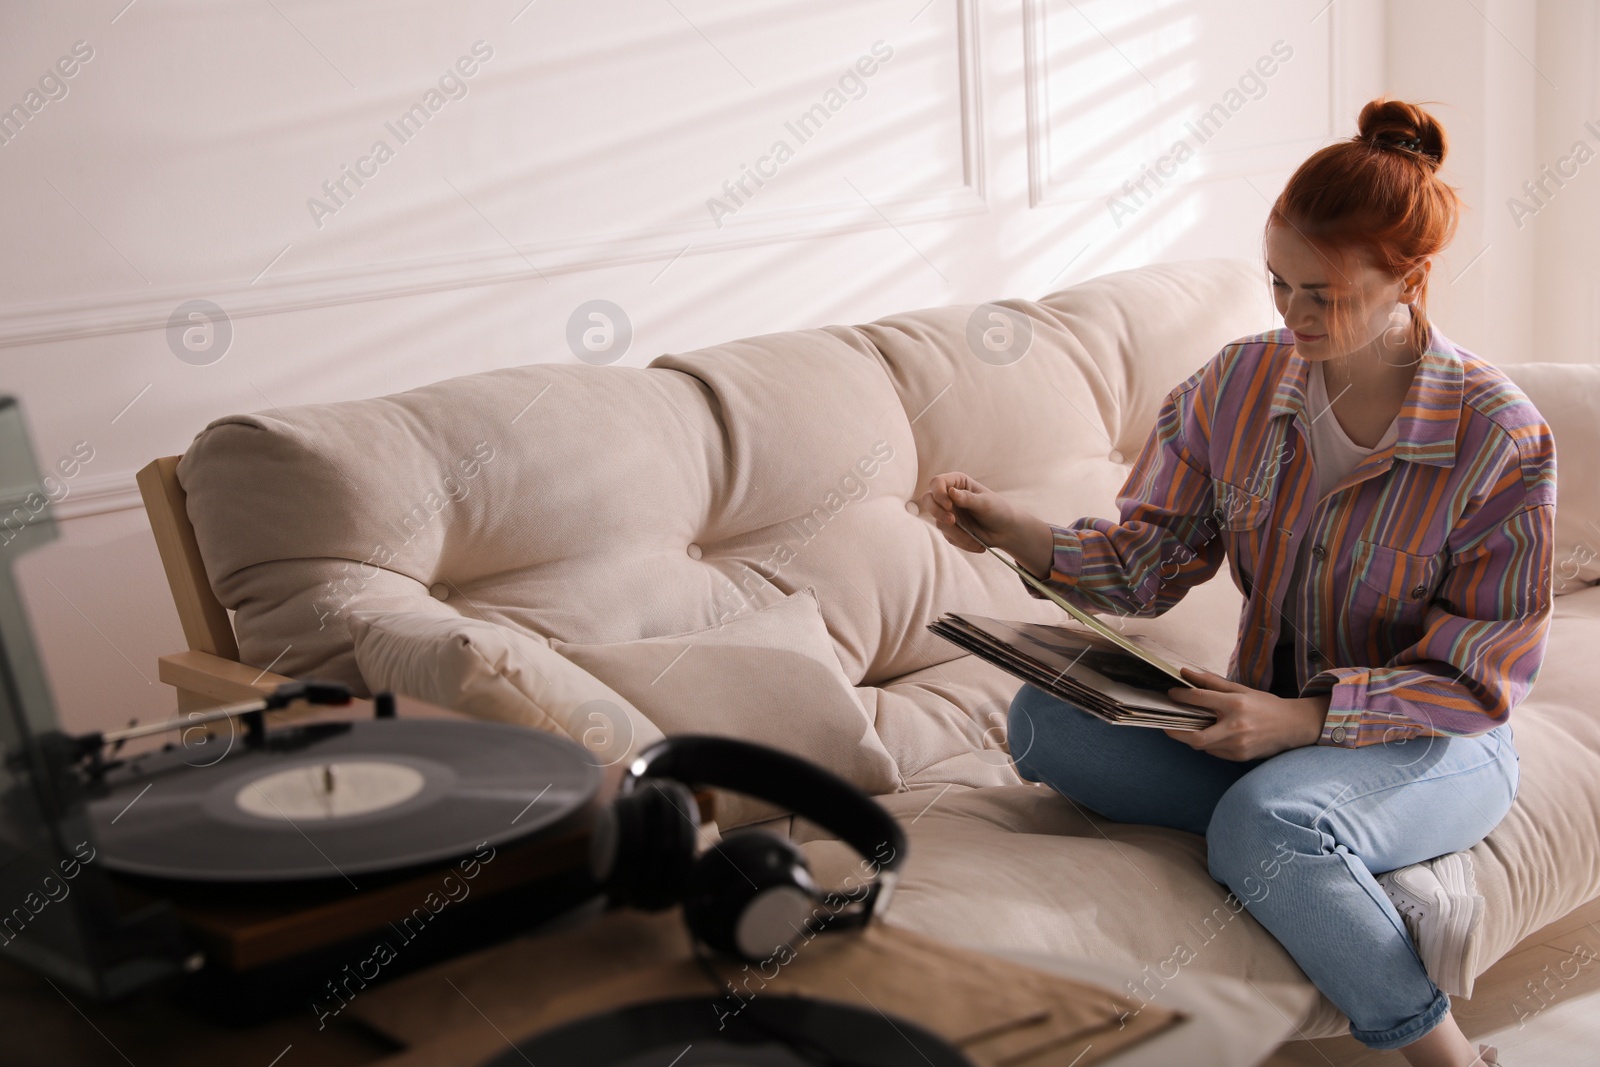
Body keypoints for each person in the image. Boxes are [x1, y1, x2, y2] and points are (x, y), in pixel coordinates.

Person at [921, 98, 1555, 1067]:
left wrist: (1302, 724)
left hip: (1434, 739)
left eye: (1322, 294)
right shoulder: (1238, 387)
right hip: (1260, 723)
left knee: (1266, 821)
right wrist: (1020, 532)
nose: (1291, 316)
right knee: (1042, 721)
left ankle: (1447, 1054)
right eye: (1277, 284)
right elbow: (1147, 561)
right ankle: (1315, 852)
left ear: (1410, 280)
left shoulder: (1495, 437)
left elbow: (1481, 675)